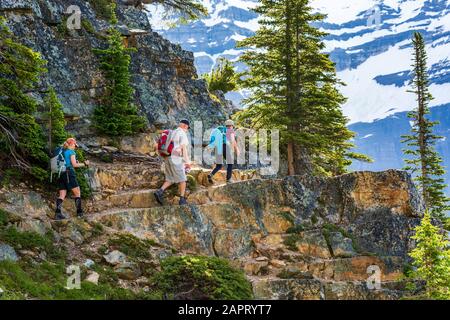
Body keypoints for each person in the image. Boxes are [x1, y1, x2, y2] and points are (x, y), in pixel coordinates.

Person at [154, 119, 192, 206]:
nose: (187, 130)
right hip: (175, 158)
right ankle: (182, 200)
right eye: (187, 128)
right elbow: (184, 149)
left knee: (170, 179)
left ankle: (159, 192)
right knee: (183, 179)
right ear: (185, 126)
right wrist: (187, 162)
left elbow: (158, 145)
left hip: (167, 157)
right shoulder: (182, 133)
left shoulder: (172, 132)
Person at [55, 138, 90, 220]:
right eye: (75, 145)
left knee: (62, 195)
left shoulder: (63, 151)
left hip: (61, 173)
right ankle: (79, 213)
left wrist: (74, 162)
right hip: (69, 173)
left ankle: (57, 214)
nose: (75, 147)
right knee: (77, 192)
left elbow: (68, 162)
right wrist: (85, 163)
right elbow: (74, 165)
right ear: (71, 144)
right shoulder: (71, 152)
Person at [207, 119, 240, 184]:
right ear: (231, 125)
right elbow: (233, 141)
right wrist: (236, 150)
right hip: (224, 146)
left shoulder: (219, 129)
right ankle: (228, 179)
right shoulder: (230, 130)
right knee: (230, 163)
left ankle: (211, 174)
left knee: (219, 165)